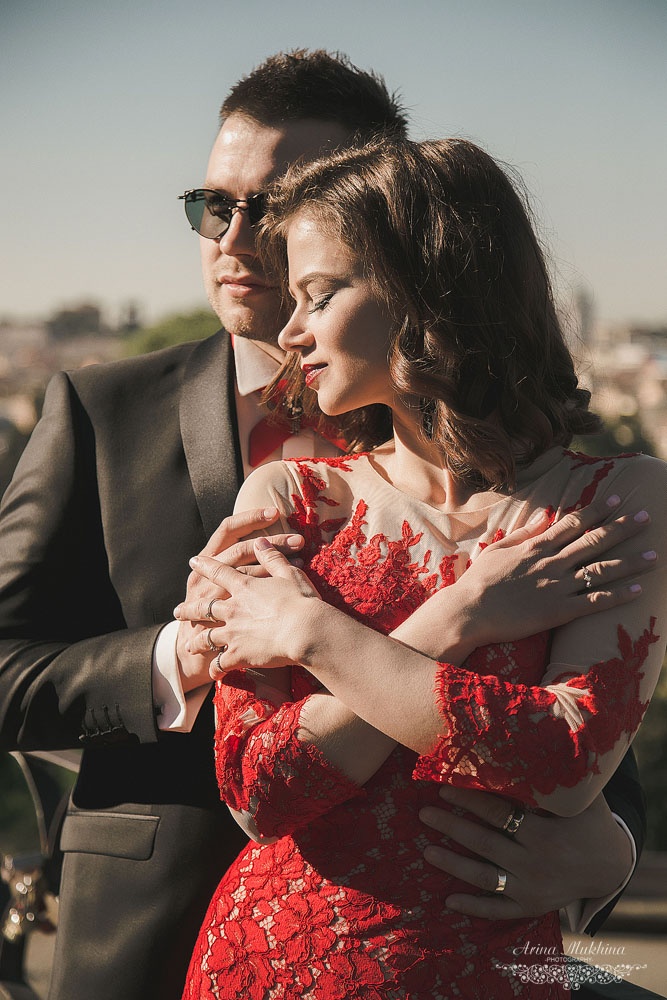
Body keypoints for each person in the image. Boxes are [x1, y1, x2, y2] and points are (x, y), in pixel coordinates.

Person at [0, 51, 651, 1000]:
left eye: (268, 207)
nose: (232, 238)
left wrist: (612, 846)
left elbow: (586, 717)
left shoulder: (574, 485)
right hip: (159, 926)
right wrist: (189, 651)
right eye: (210, 205)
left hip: (466, 929)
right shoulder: (100, 409)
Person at [177, 136, 667, 998]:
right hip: (268, 963)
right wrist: (457, 617)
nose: (289, 332)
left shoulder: (617, 500)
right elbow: (257, 793)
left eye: (319, 294)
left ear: (426, 289)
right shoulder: (289, 498)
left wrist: (312, 634)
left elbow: (564, 763)